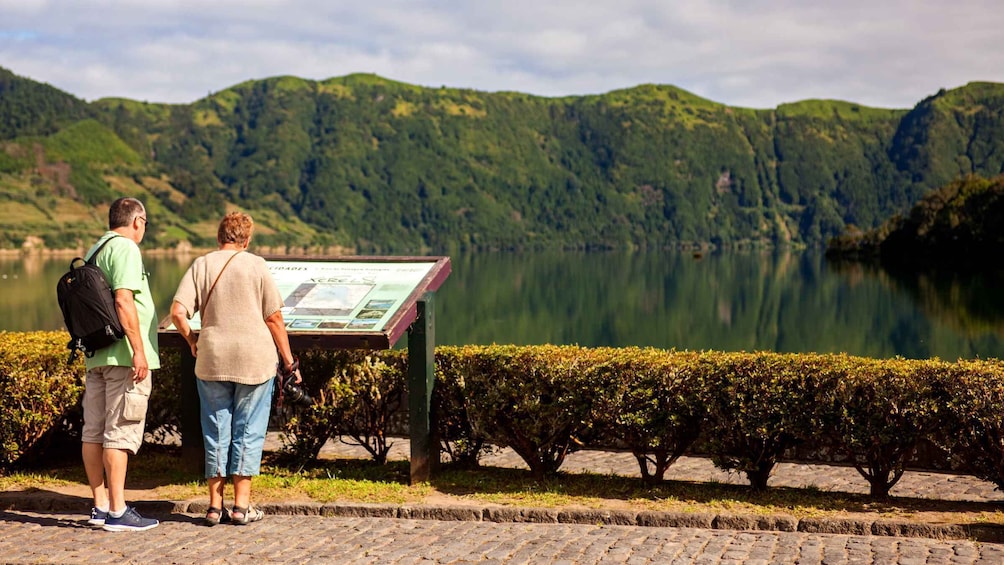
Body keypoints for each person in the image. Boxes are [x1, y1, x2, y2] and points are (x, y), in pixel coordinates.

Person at [169, 211, 300, 526]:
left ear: (219, 237)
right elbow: (274, 318)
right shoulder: (256, 265)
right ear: (247, 239)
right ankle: (241, 507)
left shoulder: (202, 265)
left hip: (212, 358)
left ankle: (214, 507)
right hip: (254, 360)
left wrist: (192, 340)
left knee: (215, 430)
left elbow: (177, 312)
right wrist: (288, 360)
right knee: (248, 430)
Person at [81, 196, 161, 532]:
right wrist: (138, 350)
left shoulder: (95, 249)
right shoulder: (126, 248)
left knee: (94, 432)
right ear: (138, 221)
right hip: (122, 357)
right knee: (118, 433)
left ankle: (99, 506)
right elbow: (123, 299)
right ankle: (118, 510)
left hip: (97, 354)